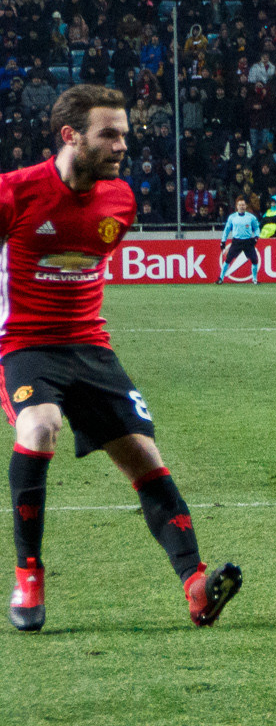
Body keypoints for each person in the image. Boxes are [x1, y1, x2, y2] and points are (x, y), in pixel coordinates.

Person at [5, 86, 242, 633]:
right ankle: (28, 576)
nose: (122, 145)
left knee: (143, 455)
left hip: (91, 347)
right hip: (24, 345)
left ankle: (195, 585)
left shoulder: (121, 200)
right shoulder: (13, 194)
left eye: (124, 134)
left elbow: (90, 259)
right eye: (109, 134)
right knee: (41, 427)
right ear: (70, 135)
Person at [218, 196, 262, 283]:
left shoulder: (251, 217)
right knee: (228, 260)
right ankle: (221, 278)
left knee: (254, 259)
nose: (241, 207)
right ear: (237, 206)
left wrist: (256, 237)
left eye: (243, 205)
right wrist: (223, 241)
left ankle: (254, 279)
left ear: (246, 206)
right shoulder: (232, 217)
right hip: (236, 241)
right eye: (240, 205)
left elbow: (257, 227)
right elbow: (227, 230)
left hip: (248, 241)